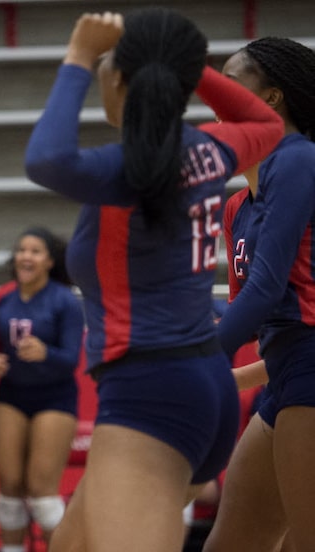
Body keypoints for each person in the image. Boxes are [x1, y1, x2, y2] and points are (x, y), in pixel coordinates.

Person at [23, 9, 284, 552]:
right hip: (199, 380)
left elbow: (45, 158)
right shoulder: (209, 151)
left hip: (148, 392)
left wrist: (76, 57)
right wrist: (187, 66)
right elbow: (268, 124)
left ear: (119, 82)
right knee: (71, 544)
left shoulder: (118, 170)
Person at [203, 37, 315, 552]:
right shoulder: (236, 207)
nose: (217, 92)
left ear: (270, 98)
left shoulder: (299, 159)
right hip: (286, 375)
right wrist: (226, 375)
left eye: (232, 78)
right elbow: (270, 325)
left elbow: (268, 291)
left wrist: (195, 364)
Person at [0, 227, 84, 551]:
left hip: (55, 397)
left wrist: (46, 353)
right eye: (22, 250)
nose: (26, 256)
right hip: (11, 395)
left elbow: (70, 360)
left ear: (50, 261)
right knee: (10, 486)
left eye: (35, 251)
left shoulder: (65, 301)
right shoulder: (1, 298)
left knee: (41, 489)